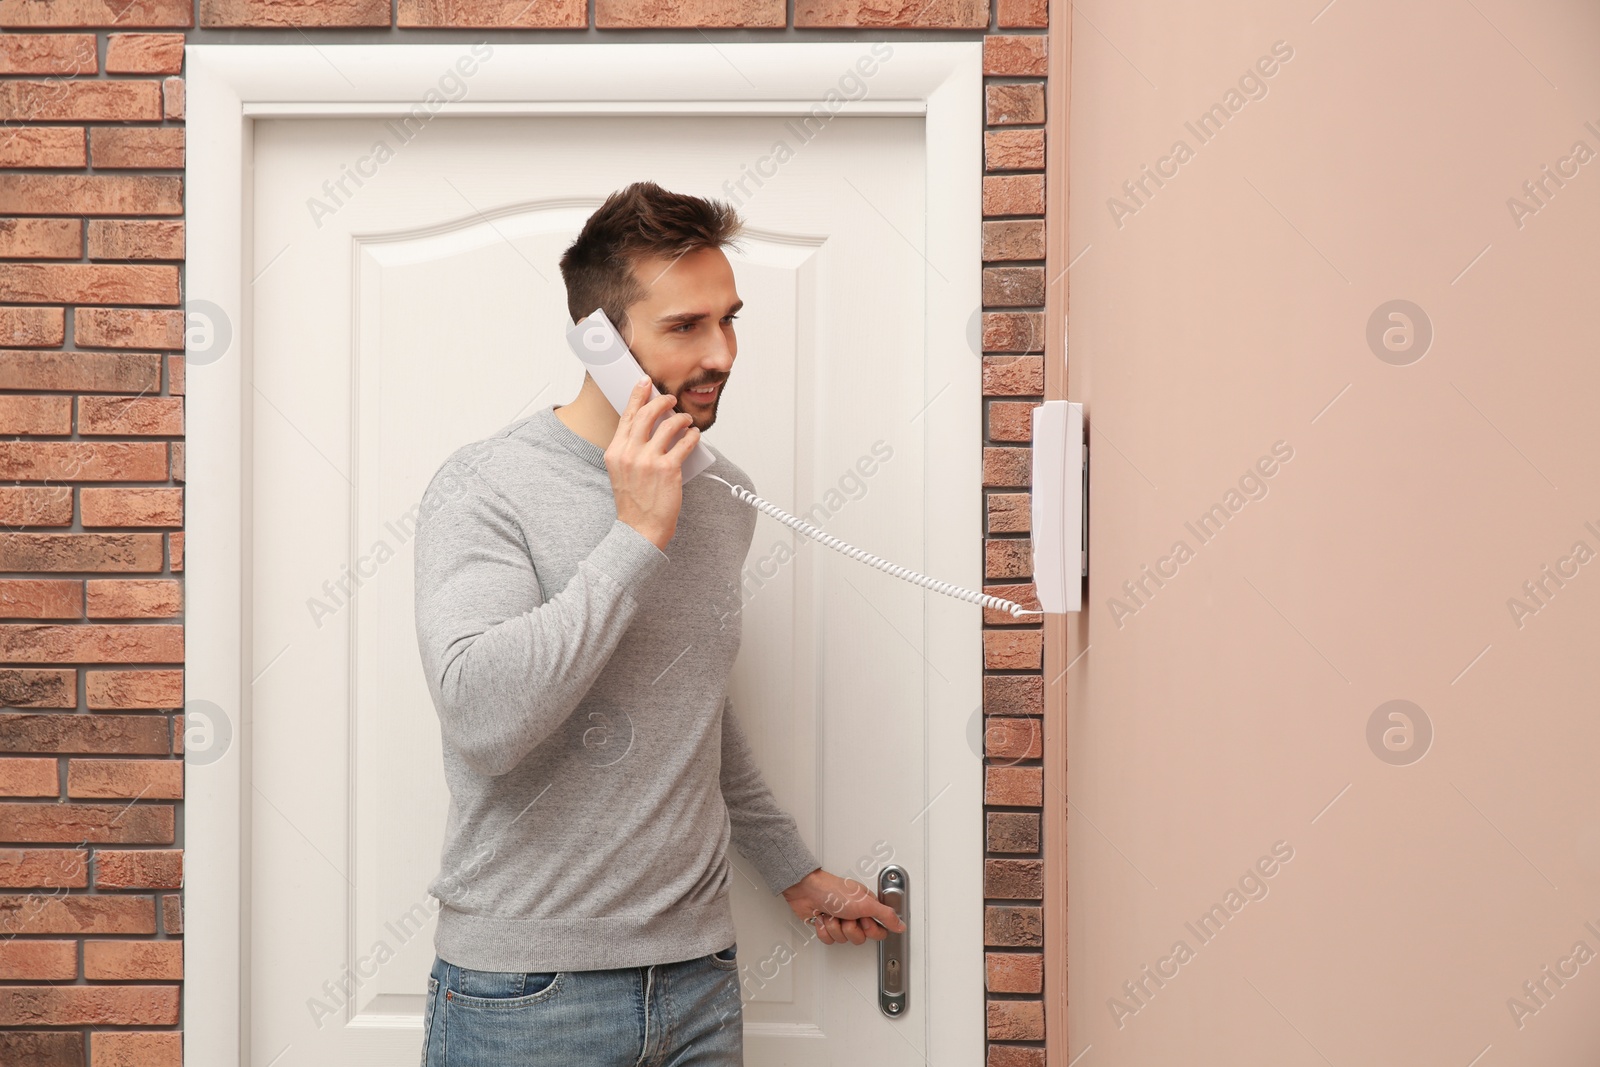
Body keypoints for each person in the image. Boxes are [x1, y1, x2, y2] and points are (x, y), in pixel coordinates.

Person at [412, 180, 904, 1066]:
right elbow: (484, 721)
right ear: (599, 340)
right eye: (686, 327)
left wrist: (793, 873)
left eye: (729, 319)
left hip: (699, 981)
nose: (722, 352)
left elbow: (694, 707)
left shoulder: (722, 493)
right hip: (527, 999)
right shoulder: (483, 487)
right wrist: (636, 533)